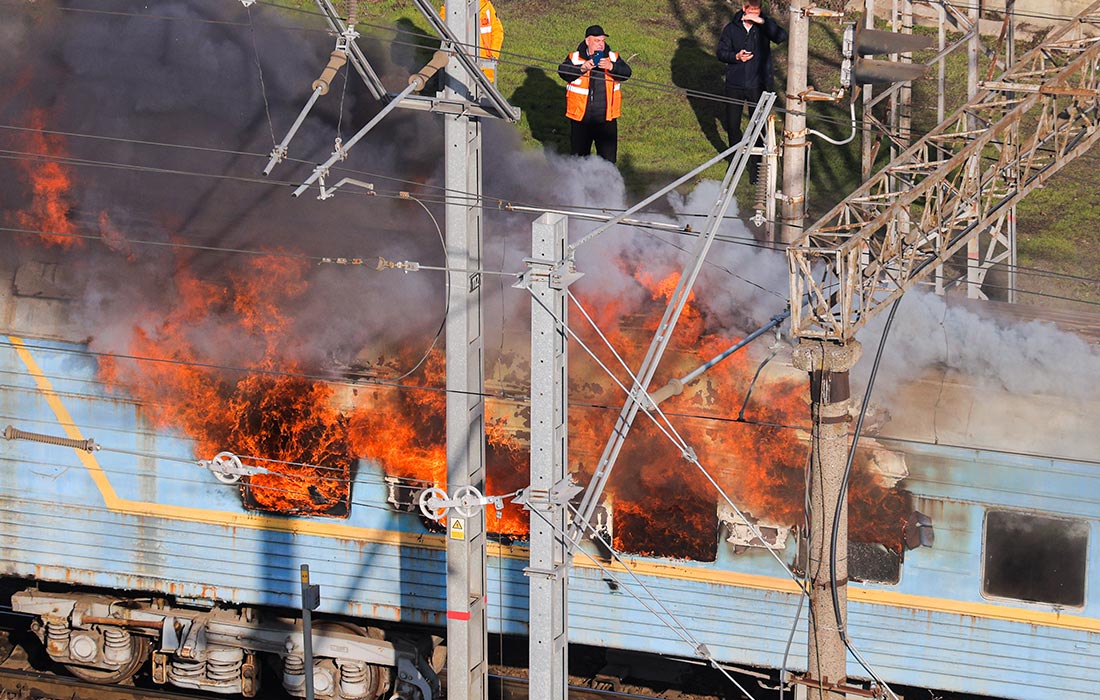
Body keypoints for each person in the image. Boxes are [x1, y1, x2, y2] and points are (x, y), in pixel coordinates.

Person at [716, 0, 787, 181]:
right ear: (744, 9)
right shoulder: (731, 29)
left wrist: (763, 23)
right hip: (734, 84)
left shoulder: (763, 28)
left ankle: (756, 169)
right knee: (732, 125)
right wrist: (736, 56)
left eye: (757, 11)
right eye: (751, 11)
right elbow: (721, 52)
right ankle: (735, 163)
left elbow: (781, 36)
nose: (754, 14)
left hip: (757, 85)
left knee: (757, 127)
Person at [557, 25, 632, 164]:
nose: (601, 44)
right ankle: (579, 185)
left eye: (602, 41)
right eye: (597, 41)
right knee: (578, 160)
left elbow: (626, 72)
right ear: (587, 41)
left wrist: (611, 67)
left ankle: (606, 185)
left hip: (606, 119)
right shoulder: (575, 58)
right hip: (581, 119)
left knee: (608, 161)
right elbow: (563, 72)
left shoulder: (612, 57)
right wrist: (583, 68)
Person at [440, 1, 503, 83]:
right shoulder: (451, 6)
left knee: (484, 93)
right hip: (460, 69)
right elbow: (442, 27)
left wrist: (493, 55)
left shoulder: (486, 5)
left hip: (485, 71)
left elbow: (497, 32)